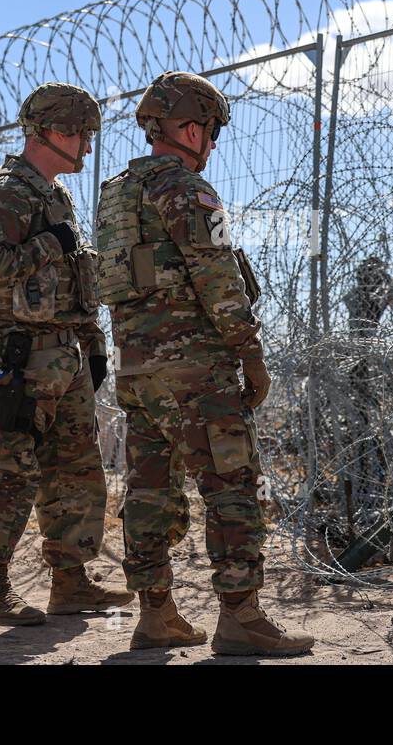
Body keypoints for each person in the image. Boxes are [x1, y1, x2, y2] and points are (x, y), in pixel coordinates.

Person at [94, 70, 314, 655]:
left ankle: (156, 615)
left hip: (136, 369)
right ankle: (241, 616)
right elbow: (217, 279)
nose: (212, 145)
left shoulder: (116, 191)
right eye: (212, 132)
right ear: (190, 128)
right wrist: (252, 356)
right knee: (231, 484)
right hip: (195, 369)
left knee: (148, 490)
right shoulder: (189, 190)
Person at [0, 81, 132, 625]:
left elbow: (75, 279)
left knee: (77, 471)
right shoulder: (4, 193)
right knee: (7, 470)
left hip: (65, 356)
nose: (86, 145)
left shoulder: (55, 196)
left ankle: (71, 582)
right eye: (82, 134)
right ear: (56, 130)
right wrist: (47, 244)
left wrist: (95, 344)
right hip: (18, 358)